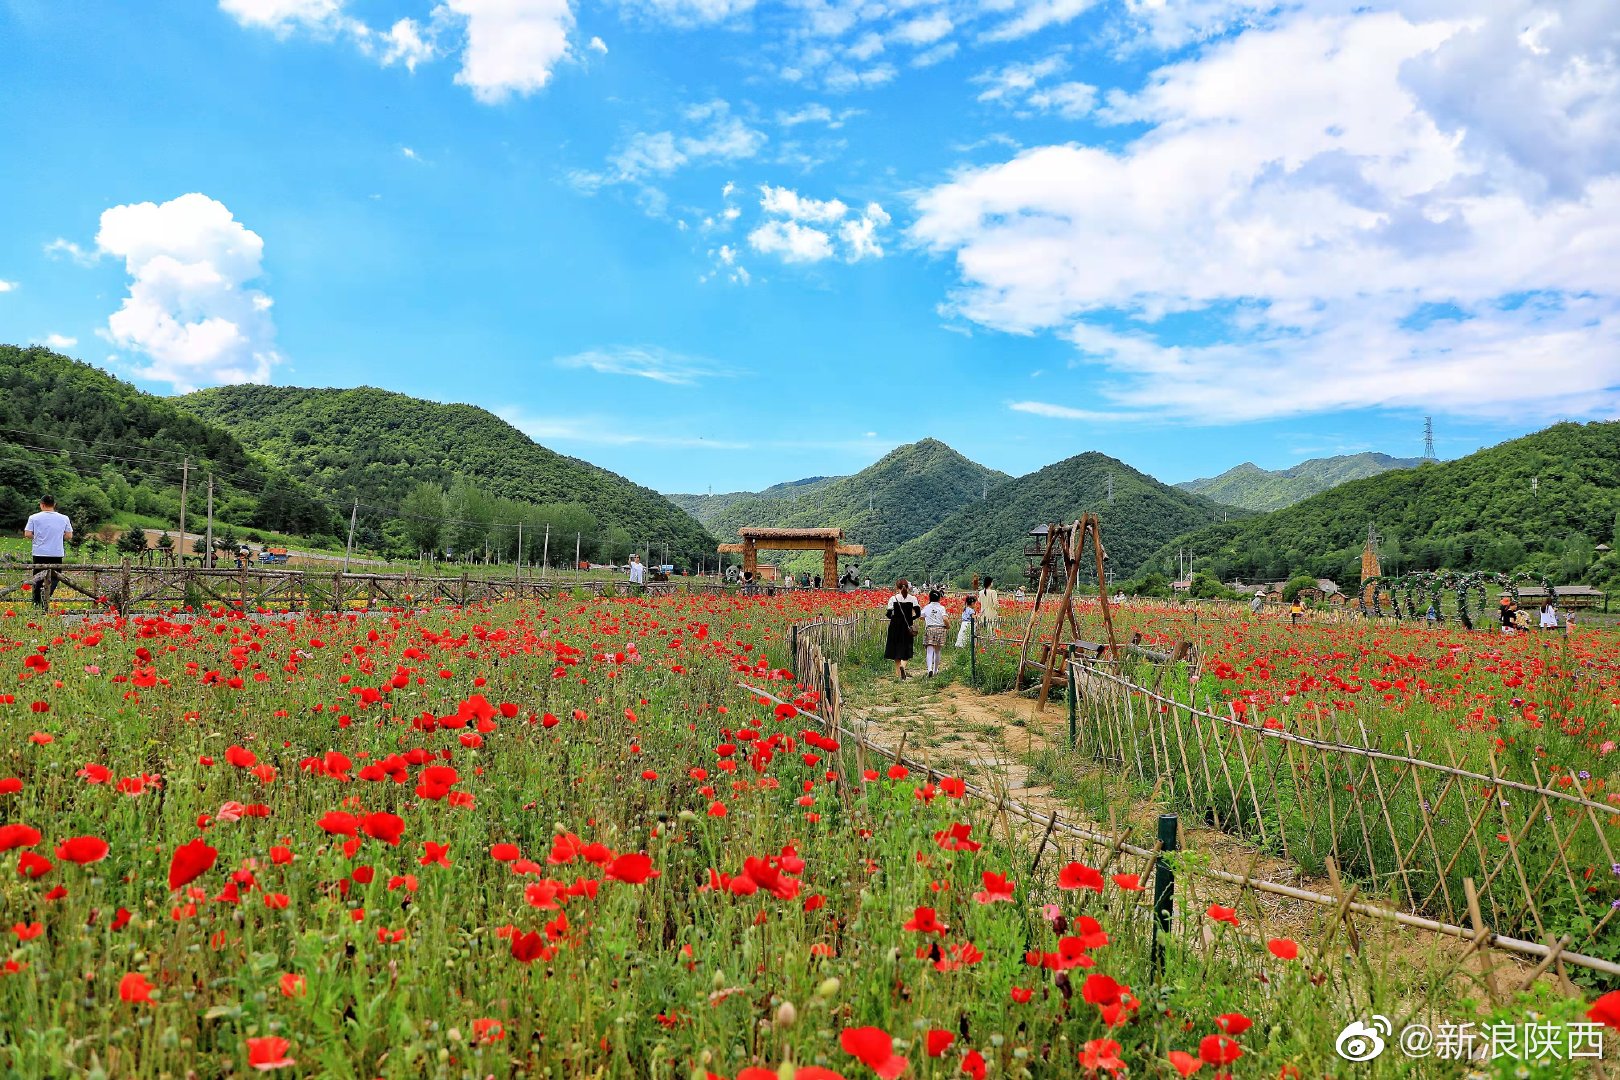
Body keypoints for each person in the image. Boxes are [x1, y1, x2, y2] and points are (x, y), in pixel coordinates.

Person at [24, 495, 72, 609]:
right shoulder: (64, 518)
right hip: (56, 552)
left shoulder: (34, 518)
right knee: (55, 577)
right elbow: (69, 535)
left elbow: (27, 534)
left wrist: (38, 537)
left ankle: (36, 602)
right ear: (54, 505)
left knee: (37, 578)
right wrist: (58, 536)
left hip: (39, 552)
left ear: (42, 504)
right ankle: (46, 596)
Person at [883, 580, 921, 680]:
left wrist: (895, 619)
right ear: (908, 587)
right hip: (907, 626)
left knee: (896, 649)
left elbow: (888, 614)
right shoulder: (913, 598)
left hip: (895, 627)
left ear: (897, 587)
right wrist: (910, 619)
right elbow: (918, 613)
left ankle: (899, 675)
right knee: (906, 647)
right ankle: (903, 667)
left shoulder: (893, 598)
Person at [920, 589, 949, 677]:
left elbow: (921, 616)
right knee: (937, 651)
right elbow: (944, 618)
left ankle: (929, 669)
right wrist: (948, 626)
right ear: (939, 598)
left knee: (929, 651)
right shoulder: (941, 608)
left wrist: (927, 618)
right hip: (940, 629)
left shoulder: (927, 607)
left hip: (930, 629)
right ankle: (936, 670)